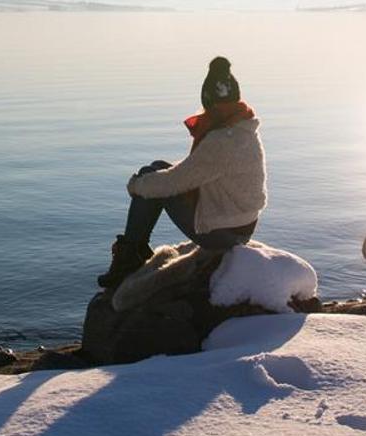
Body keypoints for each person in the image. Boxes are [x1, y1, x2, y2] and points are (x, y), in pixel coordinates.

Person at [97, 56, 267, 288]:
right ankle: (134, 249)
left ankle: (130, 255)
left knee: (152, 182)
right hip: (239, 222)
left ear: (208, 101)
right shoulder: (242, 129)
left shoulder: (222, 140)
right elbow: (198, 168)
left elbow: (173, 183)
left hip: (225, 234)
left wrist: (136, 186)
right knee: (156, 168)